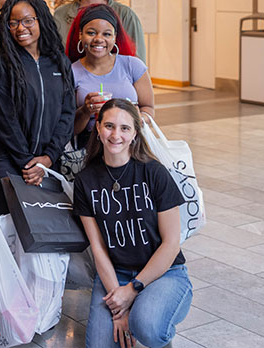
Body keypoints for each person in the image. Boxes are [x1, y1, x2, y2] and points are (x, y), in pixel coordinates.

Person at [73, 99, 192, 348]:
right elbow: (98, 248)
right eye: (109, 126)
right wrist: (119, 307)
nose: (116, 135)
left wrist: (133, 290)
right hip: (115, 273)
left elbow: (171, 244)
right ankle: (142, 314)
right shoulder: (85, 181)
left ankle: (155, 325)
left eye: (125, 128)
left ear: (135, 133)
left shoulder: (154, 172)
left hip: (165, 273)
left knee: (147, 327)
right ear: (97, 128)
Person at [0, 0, 75, 216]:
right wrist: (29, 164)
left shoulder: (58, 61)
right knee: (11, 235)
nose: (20, 28)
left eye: (27, 20)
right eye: (12, 23)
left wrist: (48, 158)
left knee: (48, 232)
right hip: (9, 163)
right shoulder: (1, 63)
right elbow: (3, 119)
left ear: (40, 20)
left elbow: (67, 112)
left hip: (50, 162)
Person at [66, 3, 154, 144]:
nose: (99, 39)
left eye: (106, 34)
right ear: (80, 35)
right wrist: (86, 110)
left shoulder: (133, 66)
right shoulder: (70, 73)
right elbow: (69, 128)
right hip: (90, 148)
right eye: (91, 33)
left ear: (114, 37)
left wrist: (138, 118)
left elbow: (148, 108)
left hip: (131, 145)